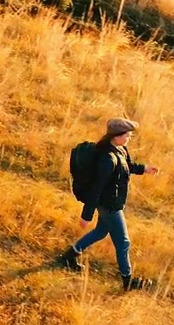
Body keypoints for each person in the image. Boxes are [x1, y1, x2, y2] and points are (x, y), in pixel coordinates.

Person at [59, 118, 159, 291]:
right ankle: (128, 282)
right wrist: (86, 215)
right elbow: (96, 189)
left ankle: (70, 255)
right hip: (109, 206)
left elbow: (128, 166)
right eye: (126, 135)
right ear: (116, 136)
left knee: (100, 232)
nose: (128, 138)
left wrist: (144, 169)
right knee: (123, 242)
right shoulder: (107, 159)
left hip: (113, 202)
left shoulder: (120, 150)